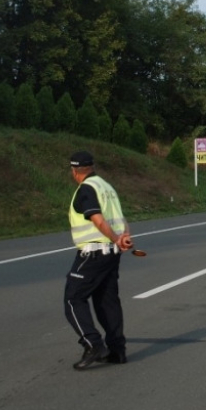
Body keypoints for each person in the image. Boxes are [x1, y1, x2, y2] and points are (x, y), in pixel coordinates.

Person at [64, 150, 134, 370]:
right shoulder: (107, 187)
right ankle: (117, 351)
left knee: (73, 299)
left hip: (93, 253)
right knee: (107, 301)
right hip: (112, 253)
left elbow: (97, 217)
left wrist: (114, 237)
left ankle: (93, 344)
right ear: (92, 166)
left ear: (74, 171)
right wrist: (124, 239)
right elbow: (120, 217)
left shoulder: (86, 189)